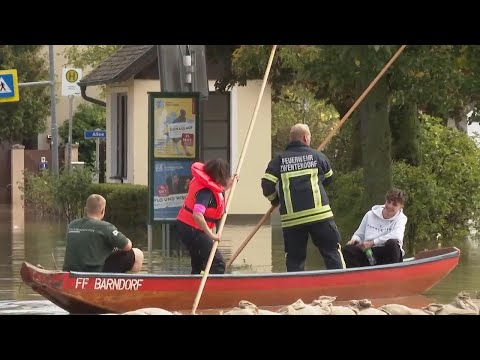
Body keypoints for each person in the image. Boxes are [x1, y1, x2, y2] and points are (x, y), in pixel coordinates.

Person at [261, 123, 345, 272]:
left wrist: (275, 200)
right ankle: (341, 284)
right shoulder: (317, 156)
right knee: (331, 252)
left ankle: (296, 290)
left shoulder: (279, 160)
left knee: (295, 260)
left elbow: (267, 185)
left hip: (292, 220)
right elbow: (329, 179)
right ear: (306, 137)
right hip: (320, 215)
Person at [176, 159, 237, 274]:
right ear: (219, 176)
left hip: (187, 226)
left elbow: (217, 191)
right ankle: (213, 289)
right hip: (191, 229)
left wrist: (229, 185)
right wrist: (212, 235)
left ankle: (194, 284)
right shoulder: (205, 192)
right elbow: (197, 215)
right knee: (218, 264)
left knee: (199, 264)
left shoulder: (206, 183)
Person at [63, 194, 144, 273]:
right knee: (138, 254)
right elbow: (127, 246)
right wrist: (127, 241)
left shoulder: (72, 225)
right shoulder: (105, 227)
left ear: (85, 210)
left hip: (70, 271)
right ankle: (125, 284)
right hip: (95, 272)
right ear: (103, 211)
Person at [342, 188, 408, 268]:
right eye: (388, 202)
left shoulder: (401, 218)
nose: (390, 206)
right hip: (368, 252)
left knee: (393, 243)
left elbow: (396, 236)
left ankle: (393, 272)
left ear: (401, 207)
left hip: (387, 252)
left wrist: (373, 242)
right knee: (348, 249)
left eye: (394, 204)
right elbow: (359, 234)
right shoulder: (370, 214)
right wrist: (355, 240)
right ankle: (356, 276)